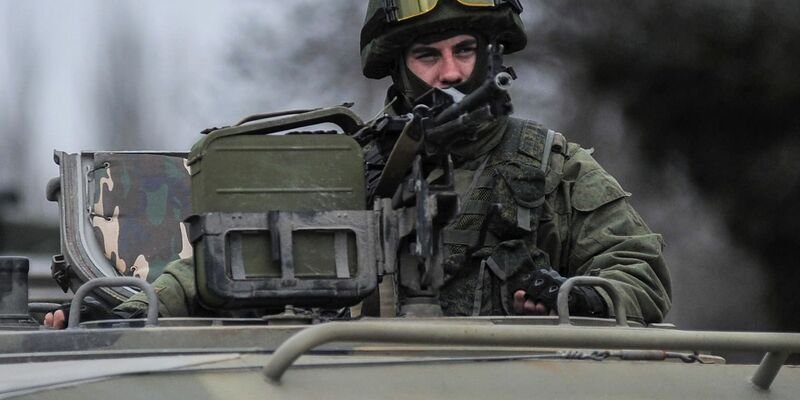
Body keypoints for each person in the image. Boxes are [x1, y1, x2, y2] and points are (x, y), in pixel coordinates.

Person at [46, 0, 671, 328]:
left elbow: (641, 277)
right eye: (428, 55)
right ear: (399, 68)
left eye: (464, 51)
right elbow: (223, 262)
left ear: (493, 55)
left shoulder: (550, 167)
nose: (451, 73)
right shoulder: (351, 167)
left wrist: (576, 297)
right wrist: (132, 307)